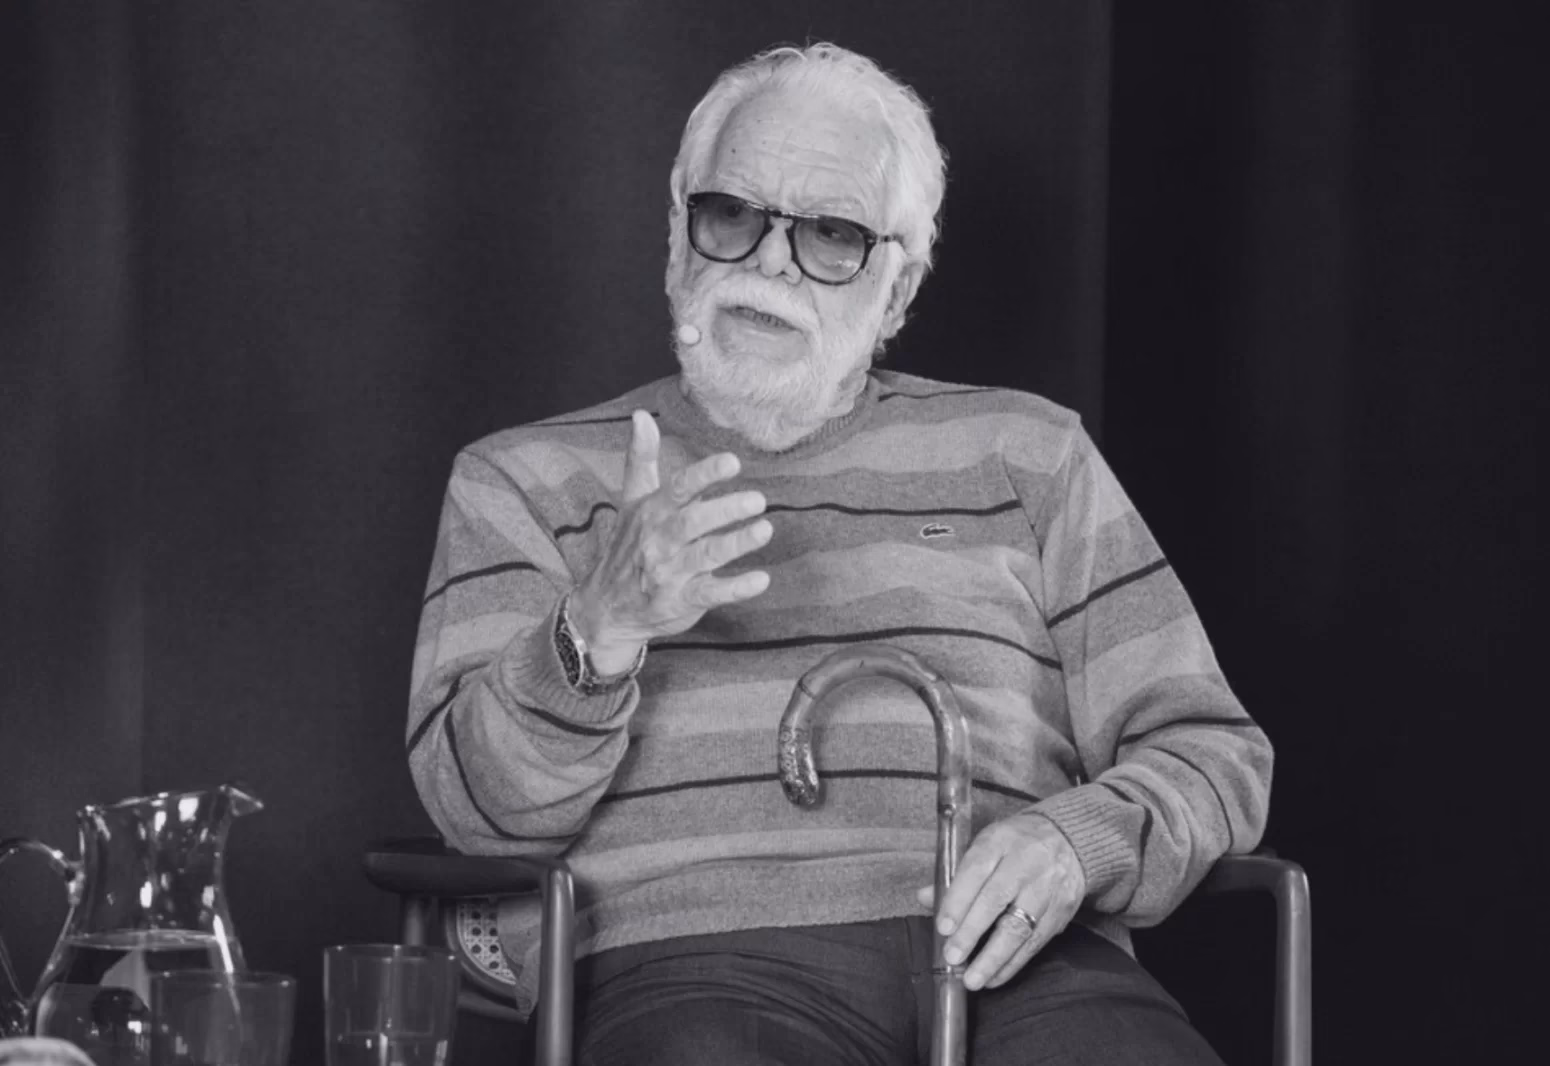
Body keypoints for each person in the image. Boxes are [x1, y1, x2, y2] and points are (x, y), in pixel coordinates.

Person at [407, 42, 1273, 1066]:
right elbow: (478, 815)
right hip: (696, 965)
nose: (770, 262)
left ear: (897, 292)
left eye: (831, 235)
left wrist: (1075, 842)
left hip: (1025, 961)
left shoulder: (1030, 453)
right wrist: (598, 627)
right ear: (678, 241)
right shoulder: (521, 479)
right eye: (732, 215)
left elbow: (1214, 755)